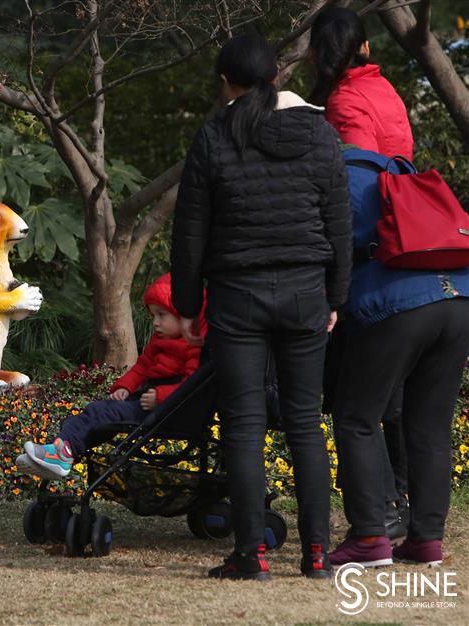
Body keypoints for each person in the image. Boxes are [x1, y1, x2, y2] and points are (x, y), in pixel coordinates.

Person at [170, 34, 351, 580]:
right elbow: (339, 222)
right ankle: (317, 553)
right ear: (275, 75)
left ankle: (250, 555)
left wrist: (185, 303)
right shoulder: (318, 132)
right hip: (304, 294)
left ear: (227, 81)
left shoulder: (214, 134)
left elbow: (190, 231)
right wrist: (336, 296)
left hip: (237, 297)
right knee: (304, 425)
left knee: (244, 427)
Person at [326, 146, 469, 568]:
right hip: (459, 296)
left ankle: (371, 535)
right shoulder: (400, 169)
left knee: (356, 417)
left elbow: (328, 245)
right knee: (430, 426)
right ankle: (426, 541)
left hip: (395, 302)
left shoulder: (335, 172)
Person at [310, 5, 414, 539]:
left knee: (359, 403)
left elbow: (361, 182)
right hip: (403, 250)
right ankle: (403, 502)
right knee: (393, 399)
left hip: (371, 258)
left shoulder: (343, 100)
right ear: (366, 47)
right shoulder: (386, 90)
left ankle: (384, 510)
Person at [16, 273, 204, 479]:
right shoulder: (159, 341)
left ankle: (61, 455)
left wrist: (160, 397)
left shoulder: (194, 347)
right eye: (153, 316)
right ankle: (61, 451)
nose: (155, 323)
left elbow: (193, 385)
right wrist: (124, 387)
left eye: (162, 315)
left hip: (165, 410)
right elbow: (141, 368)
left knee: (100, 413)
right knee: (93, 413)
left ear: (184, 316)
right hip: (147, 401)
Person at [309, 6, 413, 159]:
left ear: (313, 54)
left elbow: (361, 171)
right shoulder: (383, 85)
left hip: (377, 182)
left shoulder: (344, 101)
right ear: (366, 48)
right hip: (398, 181)